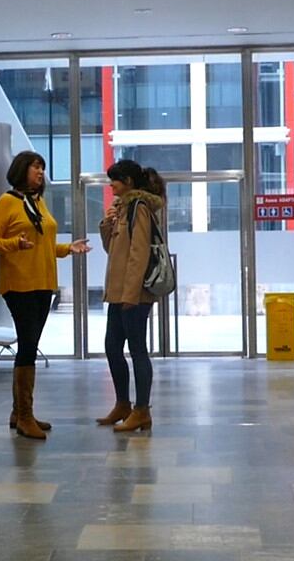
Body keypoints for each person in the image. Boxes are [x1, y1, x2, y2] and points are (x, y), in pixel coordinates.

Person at [0, 151, 90, 439]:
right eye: (35, 167)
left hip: (44, 282)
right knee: (28, 346)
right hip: (19, 284)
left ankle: (19, 412)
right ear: (21, 170)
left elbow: (44, 245)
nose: (40, 172)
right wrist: (14, 244)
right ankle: (25, 416)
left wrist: (68, 248)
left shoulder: (37, 202)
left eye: (42, 167)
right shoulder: (7, 202)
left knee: (29, 345)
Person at [95, 159, 166, 432]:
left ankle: (142, 410)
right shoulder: (122, 209)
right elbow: (111, 248)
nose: (110, 183)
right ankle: (123, 404)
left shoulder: (140, 208)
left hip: (134, 294)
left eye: (115, 179)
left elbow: (139, 254)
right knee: (112, 347)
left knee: (137, 349)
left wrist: (132, 293)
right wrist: (107, 222)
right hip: (118, 292)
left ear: (128, 182)